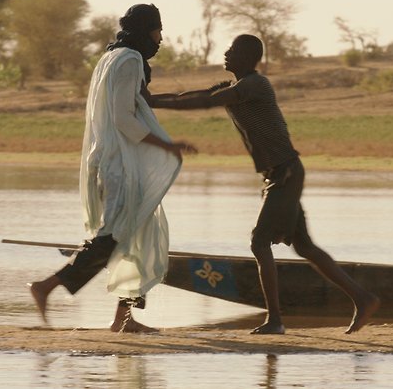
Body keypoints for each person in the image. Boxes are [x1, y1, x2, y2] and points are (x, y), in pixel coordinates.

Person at [148, 34, 380, 334]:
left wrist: (150, 101)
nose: (226, 53)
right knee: (305, 246)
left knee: (259, 242)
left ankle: (275, 320)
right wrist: (150, 99)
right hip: (280, 174)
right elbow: (189, 96)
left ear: (246, 57)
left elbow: (205, 101)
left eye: (232, 50)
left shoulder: (255, 86)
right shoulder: (235, 88)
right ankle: (363, 299)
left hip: (285, 173)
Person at [28, 4, 197, 333]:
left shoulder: (111, 57)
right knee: (113, 236)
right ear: (146, 30)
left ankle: (124, 319)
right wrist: (167, 145)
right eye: (157, 30)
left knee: (139, 236)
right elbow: (122, 117)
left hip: (114, 161)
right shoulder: (130, 59)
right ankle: (46, 286)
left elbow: (132, 103)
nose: (160, 38)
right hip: (121, 165)